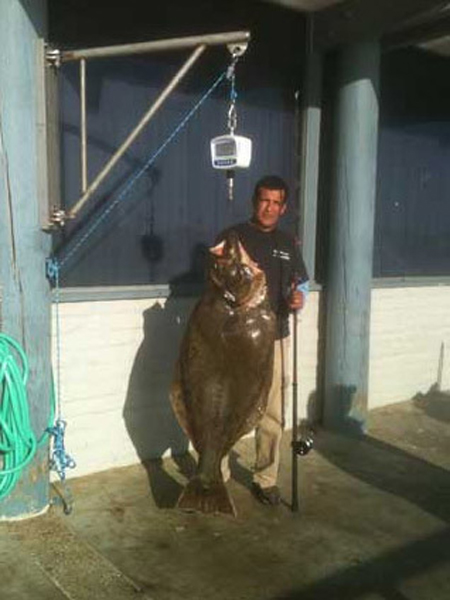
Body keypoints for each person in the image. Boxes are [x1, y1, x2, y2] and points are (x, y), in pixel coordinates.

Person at [216, 175, 309, 506]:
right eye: (264, 200)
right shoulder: (233, 237)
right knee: (228, 407)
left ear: (283, 208)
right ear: (254, 201)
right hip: (237, 339)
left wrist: (299, 297)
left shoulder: (288, 243)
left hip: (276, 338)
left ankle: (266, 478)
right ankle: (216, 475)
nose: (269, 208)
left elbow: (301, 284)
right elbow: (216, 279)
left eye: (276, 203)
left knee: (273, 412)